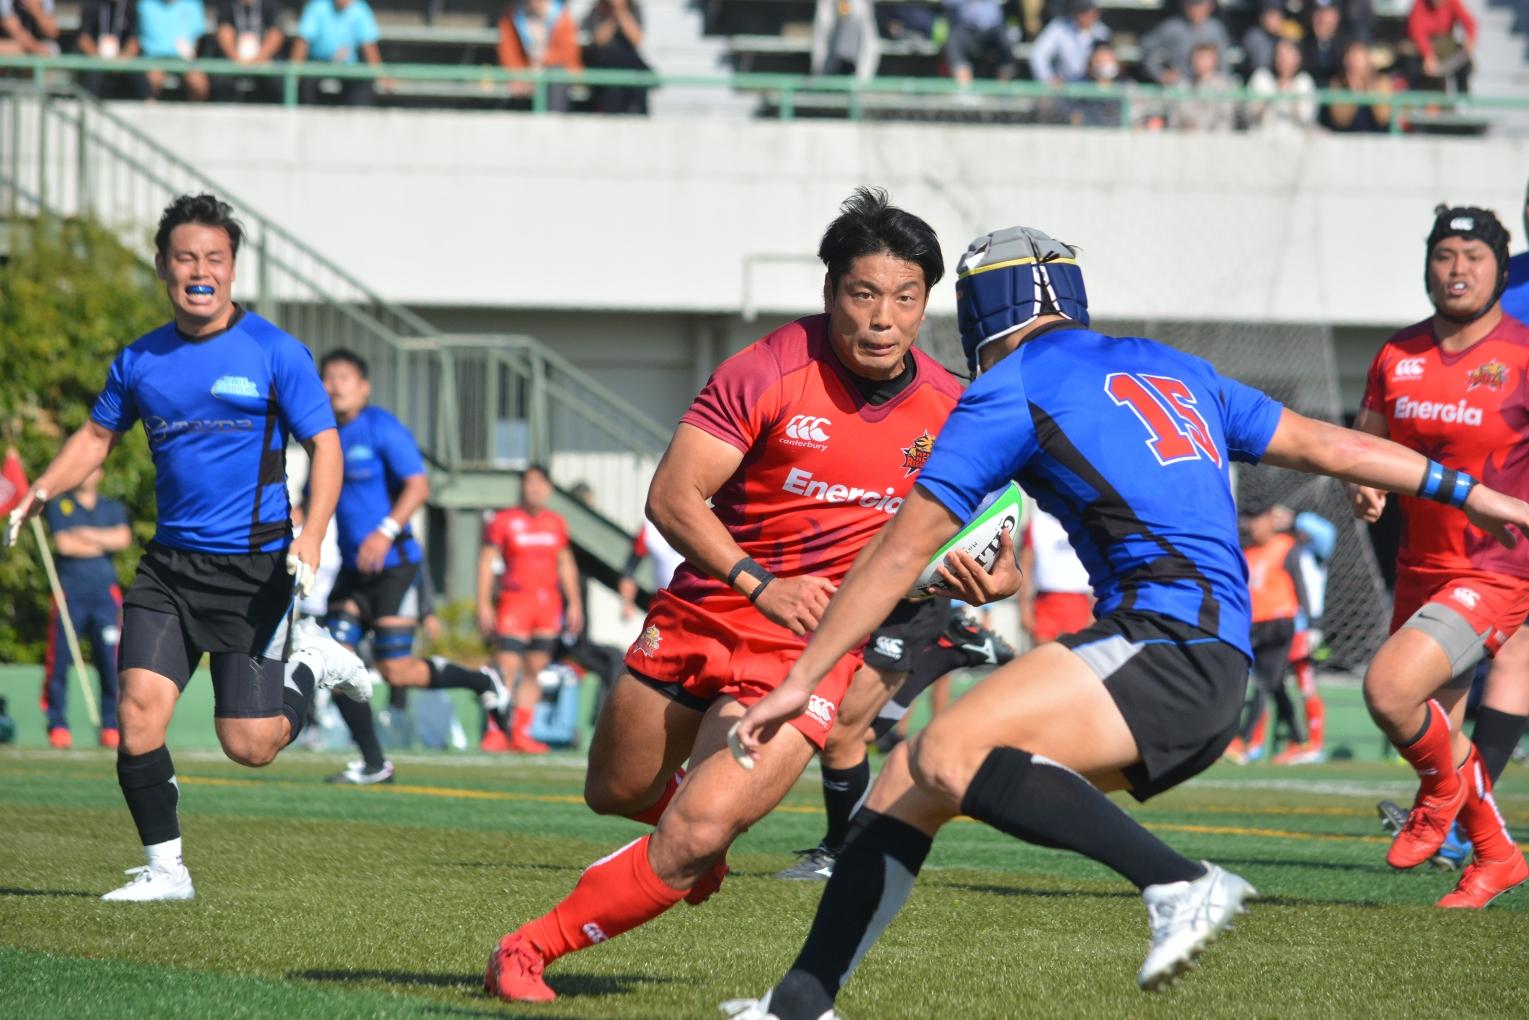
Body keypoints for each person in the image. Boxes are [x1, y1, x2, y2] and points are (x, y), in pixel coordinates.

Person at [722, 223, 1529, 1019]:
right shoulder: (1171, 365)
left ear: (978, 309)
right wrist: (1473, 492)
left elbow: (899, 551)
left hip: (1162, 645)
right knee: (910, 784)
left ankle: (1179, 882)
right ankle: (799, 1004)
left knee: (944, 751)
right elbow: (1325, 444)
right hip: (1204, 660)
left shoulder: (1012, 385)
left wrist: (801, 679)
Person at [481, 188, 1011, 1004]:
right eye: (863, 294)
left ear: (924, 303)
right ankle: (696, 829)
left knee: (696, 830)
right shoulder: (767, 370)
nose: (882, 319)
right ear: (830, 291)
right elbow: (671, 497)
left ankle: (526, 950)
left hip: (810, 647)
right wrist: (758, 584)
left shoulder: (951, 406)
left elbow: (990, 531)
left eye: (905, 299)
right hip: (705, 608)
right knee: (614, 790)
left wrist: (998, 573)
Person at [3, 194, 370, 903]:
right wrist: (42, 489)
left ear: (232, 268)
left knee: (250, 745)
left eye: (214, 258)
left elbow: (325, 447)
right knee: (138, 710)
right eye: (185, 258)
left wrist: (313, 533)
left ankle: (309, 663)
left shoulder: (274, 351)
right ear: (162, 267)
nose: (200, 271)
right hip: (169, 568)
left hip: (255, 571)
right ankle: (166, 871)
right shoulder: (140, 359)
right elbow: (97, 438)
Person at [1350, 205, 1529, 907]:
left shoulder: (1522, 354)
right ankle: (1496, 857)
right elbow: (1368, 445)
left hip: (1496, 569)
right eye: (1444, 254)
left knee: (1389, 690)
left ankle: (1437, 798)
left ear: (1500, 269)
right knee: (1438, 732)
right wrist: (1364, 486)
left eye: (1473, 256)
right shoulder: (1396, 353)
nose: (1457, 269)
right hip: (1419, 566)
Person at [317, 348, 513, 785]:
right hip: (353, 572)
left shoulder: (382, 427)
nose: (335, 385)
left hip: (395, 567)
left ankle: (482, 681)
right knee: (334, 661)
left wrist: (384, 531)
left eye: (344, 377)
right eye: (328, 377)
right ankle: (374, 764)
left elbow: (418, 485)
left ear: (364, 387)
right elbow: (315, 497)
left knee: (396, 671)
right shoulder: (324, 437)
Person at [773, 596, 1017, 881]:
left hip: (900, 605)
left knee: (840, 732)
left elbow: (1003, 580)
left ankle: (842, 853)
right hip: (867, 596)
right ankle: (948, 651)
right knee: (850, 731)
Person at [478, 464, 583, 754]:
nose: (535, 489)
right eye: (529, 483)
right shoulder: (504, 520)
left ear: (549, 488)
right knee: (506, 667)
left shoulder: (556, 523)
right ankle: (496, 730)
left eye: (540, 483)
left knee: (534, 669)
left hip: (548, 604)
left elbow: (565, 563)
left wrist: (574, 602)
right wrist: (484, 603)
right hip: (515, 602)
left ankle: (521, 732)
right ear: (522, 487)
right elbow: (486, 562)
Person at [40, 468, 130, 749]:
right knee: (59, 661)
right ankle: (57, 724)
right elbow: (65, 545)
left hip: (105, 596)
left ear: (100, 473)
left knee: (111, 662)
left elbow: (123, 538)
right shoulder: (60, 505)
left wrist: (84, 534)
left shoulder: (112, 507)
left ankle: (111, 725)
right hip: (69, 594)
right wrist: (103, 541)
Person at [1224, 503, 1307, 765]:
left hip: (1280, 623)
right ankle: (1298, 739)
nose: (1253, 525)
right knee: (1274, 683)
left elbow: (1300, 584)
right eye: (1250, 520)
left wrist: (1312, 624)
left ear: (1270, 520)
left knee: (1262, 680)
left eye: (1258, 519)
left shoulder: (1285, 546)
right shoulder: (1247, 552)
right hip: (1253, 624)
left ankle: (1243, 741)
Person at [1284, 510, 1336, 762]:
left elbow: (1327, 532)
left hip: (1306, 628)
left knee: (1306, 685)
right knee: (1269, 685)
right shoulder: (1288, 550)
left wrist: (1296, 518)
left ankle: (1314, 744)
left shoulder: (1316, 553)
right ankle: (1259, 743)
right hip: (1281, 624)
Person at [291, 0, 386, 106]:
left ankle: (357, 115)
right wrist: (295, 72)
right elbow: (303, 41)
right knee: (306, 84)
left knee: (362, 85)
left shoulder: (360, 9)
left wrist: (380, 75)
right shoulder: (317, 7)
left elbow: (369, 45)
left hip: (348, 67)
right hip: (318, 64)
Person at [1019, 506, 1092, 646]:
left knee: (1076, 655)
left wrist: (1095, 610)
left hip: (1079, 603)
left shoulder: (1085, 523)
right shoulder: (1037, 523)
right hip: (1045, 602)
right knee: (1042, 654)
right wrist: (1024, 609)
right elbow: (1025, 568)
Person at [497, 0, 582, 113]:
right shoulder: (513, 17)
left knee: (557, 76)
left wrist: (542, 62)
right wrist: (521, 76)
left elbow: (568, 55)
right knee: (516, 93)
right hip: (526, 76)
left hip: (554, 77)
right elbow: (509, 56)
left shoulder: (562, 16)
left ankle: (554, 120)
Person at [1140, 0, 1230, 87]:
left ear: (1210, 6)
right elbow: (1146, 47)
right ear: (1184, 5)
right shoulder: (1172, 27)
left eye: (1200, 4)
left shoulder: (1216, 29)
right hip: (1179, 84)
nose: (1196, 9)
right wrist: (1160, 74)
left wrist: (1222, 82)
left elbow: (1224, 65)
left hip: (1208, 85)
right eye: (1192, 4)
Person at [582, 0, 650, 114]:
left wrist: (621, 12)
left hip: (629, 67)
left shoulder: (634, 9)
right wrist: (613, 17)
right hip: (605, 67)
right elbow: (599, 41)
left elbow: (636, 39)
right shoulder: (597, 10)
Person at [135, 0, 211, 102]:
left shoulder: (193, 4)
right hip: (153, 59)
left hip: (185, 59)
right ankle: (151, 109)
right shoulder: (145, 4)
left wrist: (190, 54)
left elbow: (197, 38)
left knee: (199, 84)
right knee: (151, 82)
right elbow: (135, 38)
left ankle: (195, 111)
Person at [213, 0, 286, 103]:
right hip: (234, 59)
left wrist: (258, 59)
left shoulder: (271, 5)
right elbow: (224, 32)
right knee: (221, 81)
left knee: (277, 82)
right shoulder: (227, 5)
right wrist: (237, 59)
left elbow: (276, 34)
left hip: (263, 59)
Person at [1029, 0, 1109, 87]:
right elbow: (1038, 54)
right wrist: (1048, 77)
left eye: (1089, 11)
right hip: (1064, 87)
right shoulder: (1059, 27)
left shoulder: (1102, 32)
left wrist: (1105, 77)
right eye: (1082, 11)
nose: (1086, 15)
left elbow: (1109, 64)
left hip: (1092, 86)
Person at [1247, 37, 1317, 136]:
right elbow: (1251, 113)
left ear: (1298, 58)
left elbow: (1306, 117)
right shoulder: (1262, 77)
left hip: (1295, 139)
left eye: (1287, 55)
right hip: (1263, 137)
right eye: (1279, 54)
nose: (1282, 59)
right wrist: (1268, 98)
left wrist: (1290, 95)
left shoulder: (1304, 81)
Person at [618, 516, 684, 619]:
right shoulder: (650, 528)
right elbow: (629, 570)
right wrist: (627, 603)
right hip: (661, 604)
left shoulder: (697, 523)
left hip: (692, 603)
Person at [942, 0, 1016, 90]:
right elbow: (948, 3)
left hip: (994, 28)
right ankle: (965, 91)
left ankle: (1002, 91)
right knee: (954, 42)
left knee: (1006, 44)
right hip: (965, 28)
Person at [1319, 40, 1390, 134]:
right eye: (1352, 58)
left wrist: (1370, 88)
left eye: (1358, 59)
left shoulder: (1381, 81)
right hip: (1347, 138)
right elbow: (1340, 120)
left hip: (1376, 137)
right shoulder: (1338, 83)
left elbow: (1383, 118)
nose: (1355, 63)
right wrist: (1354, 93)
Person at [1405, 0, 1474, 94]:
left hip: (1445, 48)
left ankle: (1463, 97)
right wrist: (1428, 55)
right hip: (1423, 50)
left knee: (1464, 67)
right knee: (1414, 69)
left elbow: (1468, 21)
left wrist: (1470, 37)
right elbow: (1417, 32)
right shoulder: (1420, 4)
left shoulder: (1453, 3)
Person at [76, 0, 141, 98]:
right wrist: (100, 60)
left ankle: (149, 103)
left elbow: (134, 41)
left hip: (121, 60)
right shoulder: (92, 5)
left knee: (138, 72)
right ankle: (89, 104)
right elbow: (84, 39)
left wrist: (121, 60)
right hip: (96, 59)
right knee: (92, 74)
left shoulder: (130, 7)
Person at [1168, 41, 1233, 133]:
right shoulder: (1183, 85)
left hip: (1214, 138)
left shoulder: (1224, 86)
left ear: (1215, 60)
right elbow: (1175, 119)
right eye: (1198, 57)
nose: (1201, 62)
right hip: (1185, 137)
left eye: (1206, 58)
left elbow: (1225, 121)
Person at [810, 0, 878, 81]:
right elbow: (820, 38)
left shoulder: (862, 7)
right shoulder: (826, 7)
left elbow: (869, 43)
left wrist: (863, 78)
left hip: (854, 68)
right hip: (828, 66)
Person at [1301, 0, 1346, 88]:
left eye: (1326, 14)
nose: (1322, 19)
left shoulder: (1345, 45)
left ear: (1336, 17)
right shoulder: (1303, 44)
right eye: (1318, 13)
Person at [1240, 0, 1287, 80]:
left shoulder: (1286, 35)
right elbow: (1260, 65)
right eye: (1271, 16)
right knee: (1262, 76)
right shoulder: (1254, 36)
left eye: (1278, 16)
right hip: (1257, 79)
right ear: (1262, 17)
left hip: (1282, 80)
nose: (1274, 20)